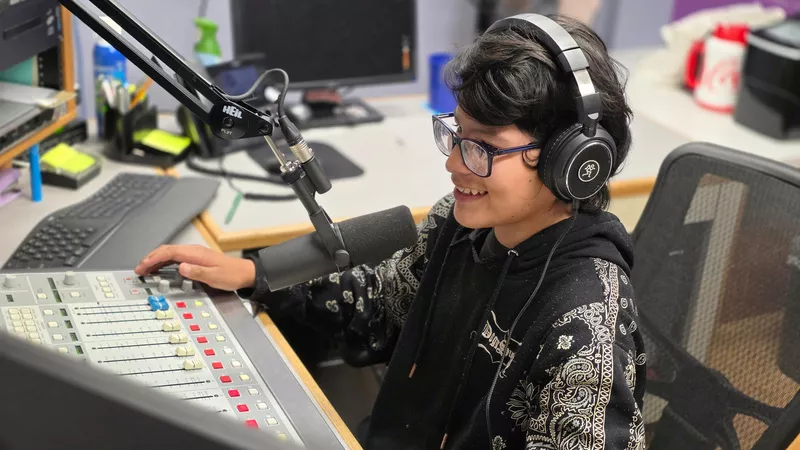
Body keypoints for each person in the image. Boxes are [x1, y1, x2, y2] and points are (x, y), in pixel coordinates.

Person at [136, 14, 646, 450]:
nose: (452, 163)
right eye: (455, 135)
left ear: (574, 160)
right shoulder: (459, 225)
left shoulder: (585, 331)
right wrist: (254, 274)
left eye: (482, 147)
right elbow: (384, 304)